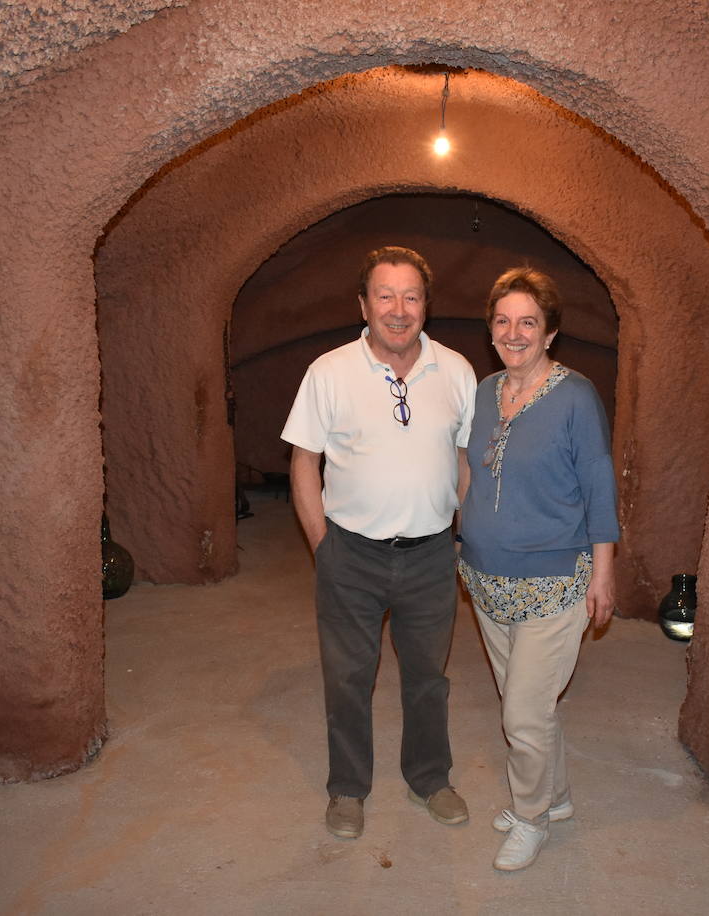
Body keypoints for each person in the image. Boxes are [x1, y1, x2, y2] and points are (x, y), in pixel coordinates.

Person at [281, 246, 477, 839]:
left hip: (431, 556)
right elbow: (303, 463)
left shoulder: (457, 371)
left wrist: (461, 536)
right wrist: (324, 547)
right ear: (363, 304)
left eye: (411, 296)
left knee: (428, 677)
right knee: (346, 678)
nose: (398, 309)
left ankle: (430, 777)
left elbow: (464, 460)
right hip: (351, 553)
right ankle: (347, 789)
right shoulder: (329, 371)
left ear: (426, 304)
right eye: (385, 296)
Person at [457, 267, 620, 871]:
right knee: (530, 705)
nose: (514, 332)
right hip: (485, 577)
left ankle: (530, 819)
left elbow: (599, 489)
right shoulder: (484, 389)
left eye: (528, 321)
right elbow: (471, 469)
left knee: (522, 712)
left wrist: (603, 573)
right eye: (503, 321)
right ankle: (555, 799)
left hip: (554, 579)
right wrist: (460, 533)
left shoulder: (575, 397)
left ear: (550, 332)